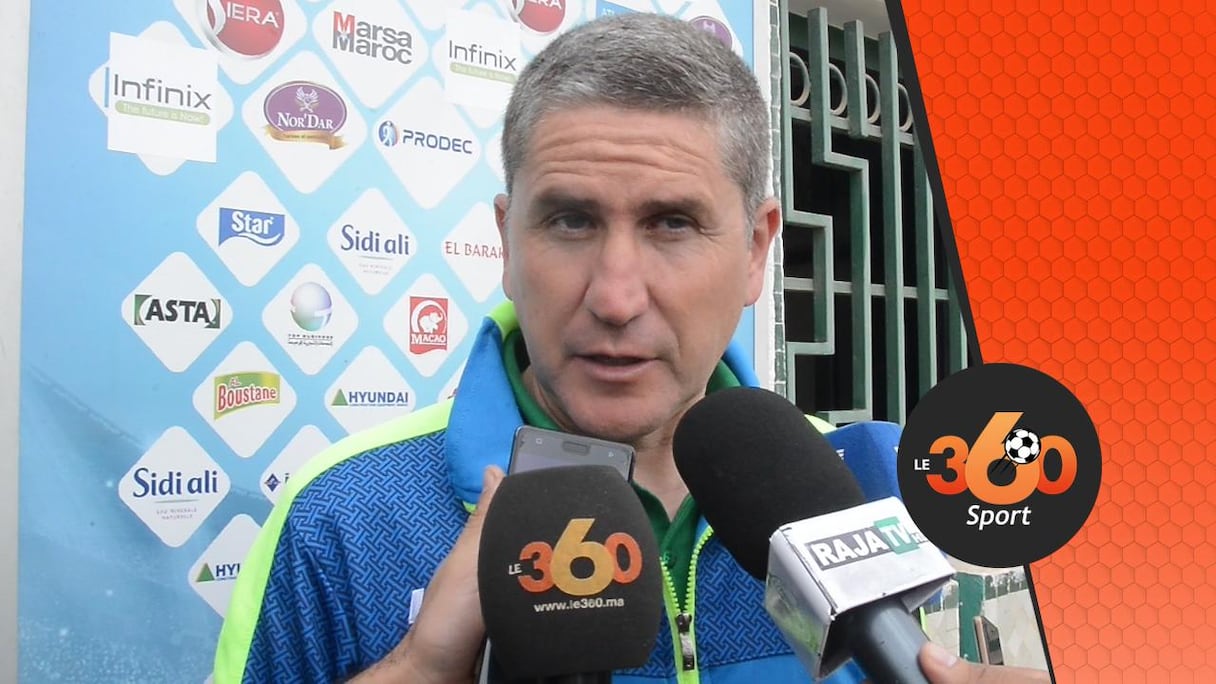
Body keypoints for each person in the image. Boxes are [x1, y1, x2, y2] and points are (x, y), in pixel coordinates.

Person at [213, 12, 1050, 684]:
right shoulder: (345, 518)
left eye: (672, 224)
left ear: (757, 250)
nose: (616, 298)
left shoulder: (869, 483)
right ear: (507, 242)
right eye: (571, 221)